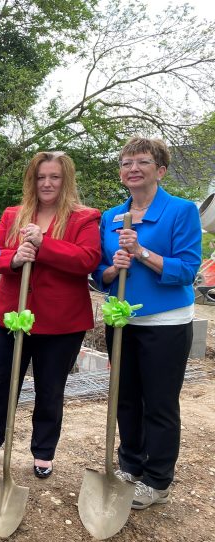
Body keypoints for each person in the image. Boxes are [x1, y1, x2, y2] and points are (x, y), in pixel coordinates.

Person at [0, 152, 101, 479]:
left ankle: (43, 451)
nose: (47, 183)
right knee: (2, 382)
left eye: (54, 177)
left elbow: (87, 259)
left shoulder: (84, 218)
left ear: (65, 180)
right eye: (41, 176)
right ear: (32, 179)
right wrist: (16, 258)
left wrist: (44, 245)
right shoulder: (14, 215)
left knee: (50, 387)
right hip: (12, 315)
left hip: (61, 322)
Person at [94, 137, 201, 510]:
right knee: (125, 399)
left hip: (165, 324)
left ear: (161, 170)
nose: (133, 168)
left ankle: (157, 480)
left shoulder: (181, 211)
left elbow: (187, 271)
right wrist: (112, 268)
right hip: (122, 322)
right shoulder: (110, 217)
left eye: (142, 162)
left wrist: (140, 252)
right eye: (126, 163)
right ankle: (131, 465)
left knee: (158, 403)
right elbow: (98, 273)